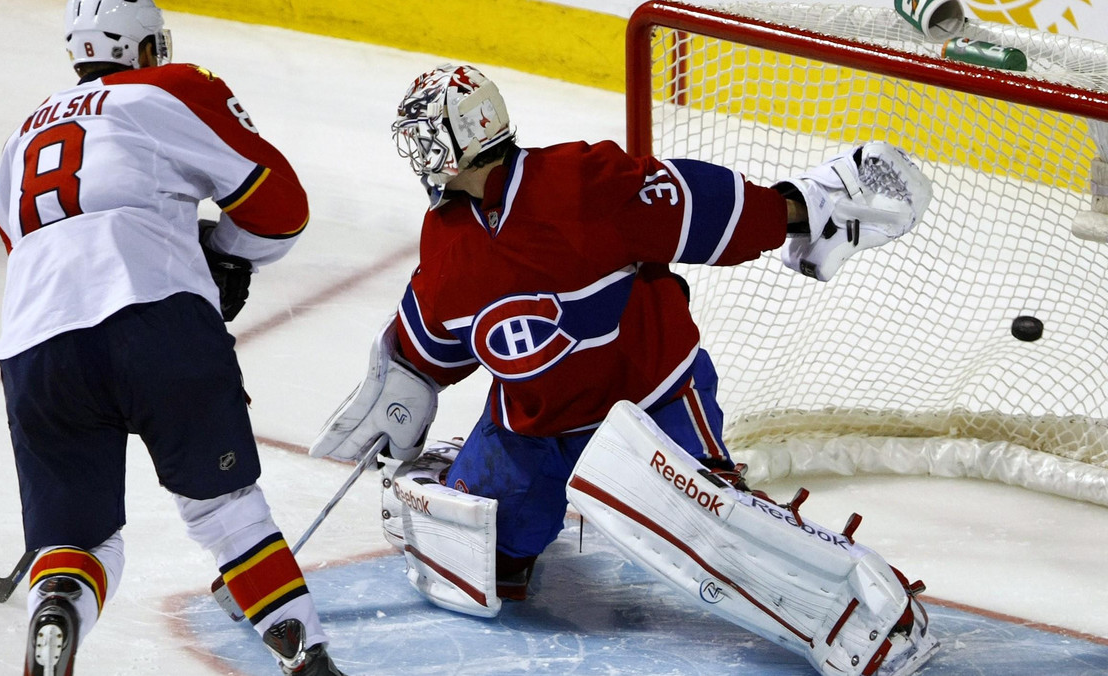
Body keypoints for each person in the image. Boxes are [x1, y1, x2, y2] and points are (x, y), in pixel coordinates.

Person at [311, 64, 938, 676]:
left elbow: (702, 206)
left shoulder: (582, 184)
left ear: (468, 136)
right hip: (532, 426)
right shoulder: (446, 235)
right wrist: (405, 383)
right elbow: (434, 336)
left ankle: (854, 606)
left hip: (648, 400)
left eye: (427, 133)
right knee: (482, 554)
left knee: (710, 528)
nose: (418, 150)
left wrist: (802, 205)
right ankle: (464, 465)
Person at [0, 2, 343, 674]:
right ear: (144, 46)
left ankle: (59, 605)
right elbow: (279, 206)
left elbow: (23, 248)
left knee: (81, 542)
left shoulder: (19, 137)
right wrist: (228, 256)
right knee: (226, 513)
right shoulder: (172, 86)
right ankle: (305, 652)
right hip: (152, 318)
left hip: (34, 346)